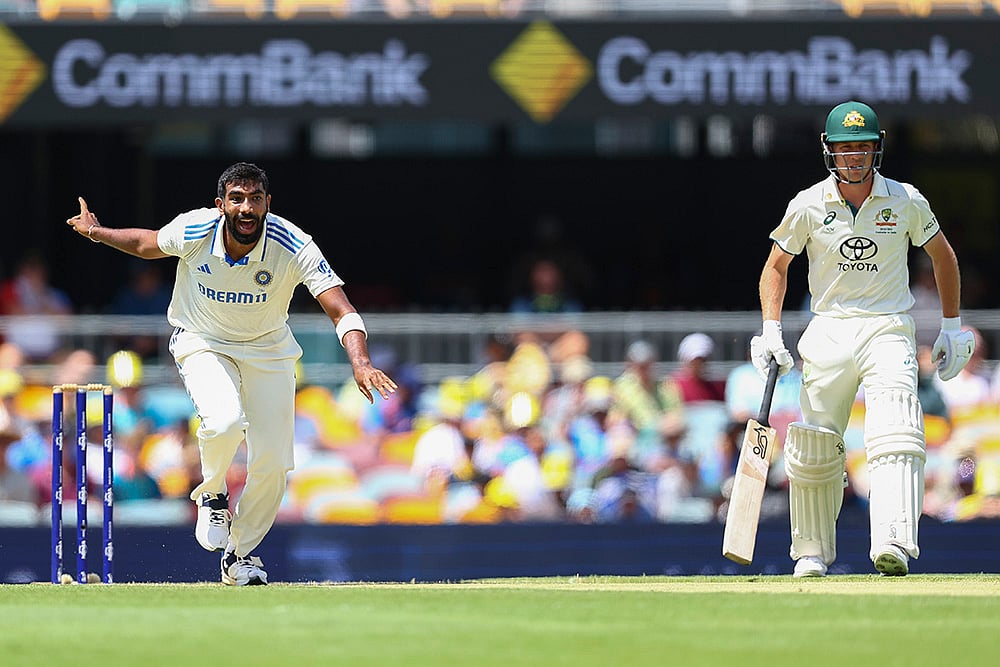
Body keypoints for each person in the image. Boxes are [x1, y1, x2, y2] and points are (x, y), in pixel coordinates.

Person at [66, 162, 397, 586]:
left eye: (255, 199)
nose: (246, 207)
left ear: (267, 204)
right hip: (202, 340)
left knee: (275, 464)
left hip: (269, 350)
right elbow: (149, 244)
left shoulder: (293, 243)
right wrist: (97, 231)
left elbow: (341, 309)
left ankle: (239, 554)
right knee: (223, 421)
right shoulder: (195, 229)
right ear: (220, 204)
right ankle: (213, 493)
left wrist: (361, 361)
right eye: (237, 198)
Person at [752, 101, 974, 578]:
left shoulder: (906, 199)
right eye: (846, 148)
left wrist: (953, 327)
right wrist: (770, 328)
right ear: (829, 150)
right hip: (829, 327)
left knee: (896, 427)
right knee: (814, 444)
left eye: (864, 148)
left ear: (878, 150)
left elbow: (944, 256)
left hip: (888, 325)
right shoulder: (807, 204)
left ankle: (893, 539)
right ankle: (811, 552)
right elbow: (776, 267)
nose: (855, 158)